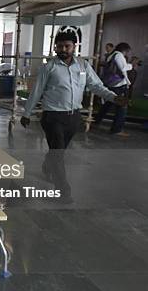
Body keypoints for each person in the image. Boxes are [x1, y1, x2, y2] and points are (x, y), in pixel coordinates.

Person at [20, 32, 127, 203]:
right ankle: (63, 190)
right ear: (55, 47)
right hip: (52, 116)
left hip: (73, 118)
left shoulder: (83, 66)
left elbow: (97, 86)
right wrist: (26, 113)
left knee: (58, 150)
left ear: (74, 47)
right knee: (59, 153)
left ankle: (48, 165)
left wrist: (114, 97)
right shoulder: (48, 68)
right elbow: (37, 91)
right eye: (59, 46)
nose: (63, 49)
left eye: (67, 46)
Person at [93, 42, 132, 136]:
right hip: (119, 85)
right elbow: (123, 68)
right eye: (127, 51)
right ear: (125, 50)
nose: (127, 53)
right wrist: (130, 65)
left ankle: (97, 121)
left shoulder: (112, 55)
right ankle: (116, 129)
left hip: (113, 83)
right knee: (121, 107)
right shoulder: (118, 55)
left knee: (108, 103)